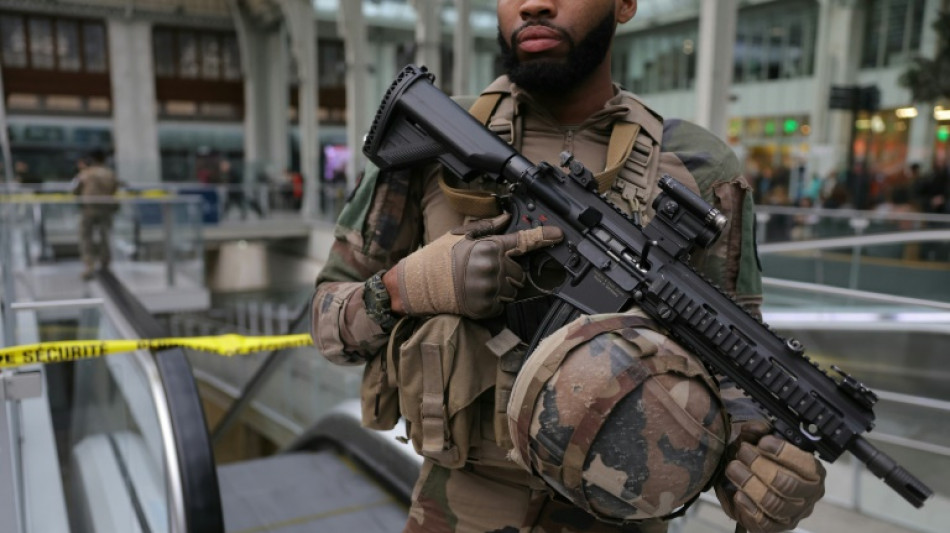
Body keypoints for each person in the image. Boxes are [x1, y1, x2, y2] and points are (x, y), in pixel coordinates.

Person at [312, 1, 825, 532]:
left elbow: (733, 359)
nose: (534, 2)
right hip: (455, 511)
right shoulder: (436, 135)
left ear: (625, 4)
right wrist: (407, 287)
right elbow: (326, 325)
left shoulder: (697, 166)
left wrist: (760, 470)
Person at [72, 149, 118, 280]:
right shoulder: (110, 173)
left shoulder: (86, 173)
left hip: (89, 209)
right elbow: (114, 190)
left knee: (86, 237)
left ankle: (89, 265)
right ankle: (105, 262)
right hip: (106, 209)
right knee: (105, 236)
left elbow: (75, 190)